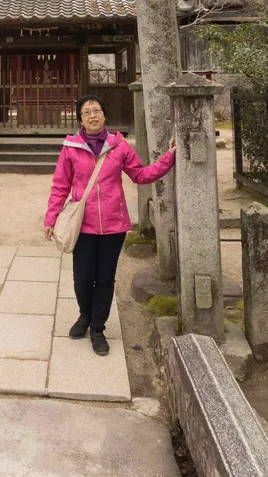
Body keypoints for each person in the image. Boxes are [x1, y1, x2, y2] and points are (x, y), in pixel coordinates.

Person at [44, 94, 175, 356]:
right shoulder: (71, 148)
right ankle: (84, 316)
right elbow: (61, 185)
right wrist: (51, 218)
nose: (92, 116)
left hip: (113, 226)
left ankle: (97, 328)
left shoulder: (120, 146)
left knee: (104, 279)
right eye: (86, 112)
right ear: (80, 119)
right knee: (82, 279)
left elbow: (140, 175)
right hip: (83, 225)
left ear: (104, 115)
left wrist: (170, 156)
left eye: (96, 110)